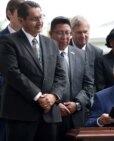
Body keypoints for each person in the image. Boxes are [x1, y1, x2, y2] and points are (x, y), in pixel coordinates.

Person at [0, 1, 66, 141]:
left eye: (41, 17)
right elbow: (12, 73)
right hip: (21, 115)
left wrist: (53, 96)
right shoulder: (8, 42)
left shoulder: (51, 43)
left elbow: (61, 75)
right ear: (21, 20)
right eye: (34, 19)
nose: (40, 22)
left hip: (49, 115)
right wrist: (38, 96)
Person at [49, 16, 93, 141]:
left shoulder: (81, 55)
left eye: (68, 33)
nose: (65, 37)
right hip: (52, 118)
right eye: (60, 33)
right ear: (51, 34)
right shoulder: (44, 55)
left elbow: (89, 85)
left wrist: (77, 104)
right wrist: (56, 105)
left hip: (76, 119)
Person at [0, 0, 24, 140]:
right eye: (20, 11)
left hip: (33, 108)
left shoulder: (36, 40)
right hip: (5, 106)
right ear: (9, 13)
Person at [70, 15, 103, 86]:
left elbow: (98, 79)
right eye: (79, 32)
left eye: (85, 32)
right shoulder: (63, 49)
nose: (83, 35)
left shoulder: (97, 52)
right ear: (71, 32)